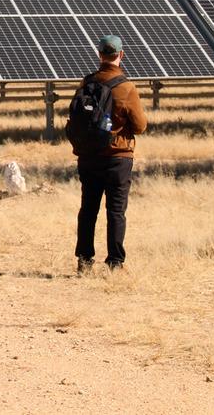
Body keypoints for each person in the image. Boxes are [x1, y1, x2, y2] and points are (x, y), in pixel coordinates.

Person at [74, 35, 147, 273]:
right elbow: (140, 126)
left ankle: (84, 261)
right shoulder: (126, 87)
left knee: (88, 210)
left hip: (89, 157)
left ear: (99, 55)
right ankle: (115, 262)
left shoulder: (86, 83)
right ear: (121, 55)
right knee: (116, 211)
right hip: (118, 157)